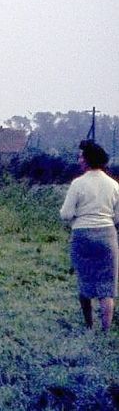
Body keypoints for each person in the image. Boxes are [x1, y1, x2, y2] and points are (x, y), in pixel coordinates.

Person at [59, 140, 119, 332]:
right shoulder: (114, 185)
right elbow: (118, 216)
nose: (79, 159)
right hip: (107, 235)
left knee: (85, 281)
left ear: (87, 160)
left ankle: (88, 325)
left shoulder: (78, 184)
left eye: (80, 156)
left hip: (82, 235)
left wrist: (79, 217)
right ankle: (106, 330)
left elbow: (66, 214)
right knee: (107, 285)